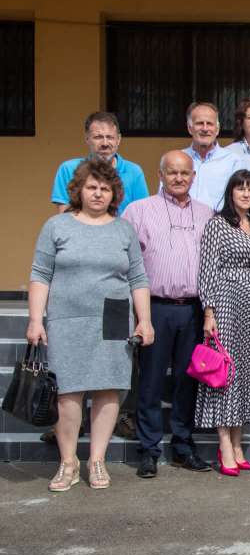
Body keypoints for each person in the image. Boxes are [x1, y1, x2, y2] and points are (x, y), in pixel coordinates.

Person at [28, 159, 154, 492]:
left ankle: (97, 460)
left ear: (114, 194)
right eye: (92, 187)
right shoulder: (57, 226)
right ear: (79, 190)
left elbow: (138, 277)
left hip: (114, 316)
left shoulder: (123, 229)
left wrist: (144, 320)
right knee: (67, 392)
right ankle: (68, 462)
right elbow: (40, 274)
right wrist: (36, 319)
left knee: (108, 388)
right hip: (66, 318)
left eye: (105, 188)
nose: (98, 193)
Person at [122, 150, 215, 478]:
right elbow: (127, 261)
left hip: (193, 309)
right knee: (150, 381)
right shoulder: (139, 211)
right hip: (155, 308)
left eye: (185, 173)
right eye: (172, 172)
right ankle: (148, 450)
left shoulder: (206, 213)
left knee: (187, 381)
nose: (179, 178)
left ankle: (183, 446)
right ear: (160, 175)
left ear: (193, 176)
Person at [195, 169, 250, 476]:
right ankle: (224, 443)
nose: (246, 194)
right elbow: (208, 268)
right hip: (225, 302)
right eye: (240, 188)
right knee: (225, 374)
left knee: (245, 372)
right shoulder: (217, 224)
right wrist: (209, 311)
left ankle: (238, 443)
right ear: (231, 192)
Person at [51, 111, 149, 215]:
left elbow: (141, 215)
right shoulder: (69, 169)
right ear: (87, 139)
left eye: (110, 137)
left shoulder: (134, 171)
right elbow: (64, 218)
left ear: (118, 139)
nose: (105, 143)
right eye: (98, 137)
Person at [182, 101, 239, 210]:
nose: (205, 129)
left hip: (219, 220)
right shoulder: (176, 160)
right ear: (189, 128)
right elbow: (165, 198)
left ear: (217, 129)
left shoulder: (234, 162)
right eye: (199, 123)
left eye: (209, 124)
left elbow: (239, 202)